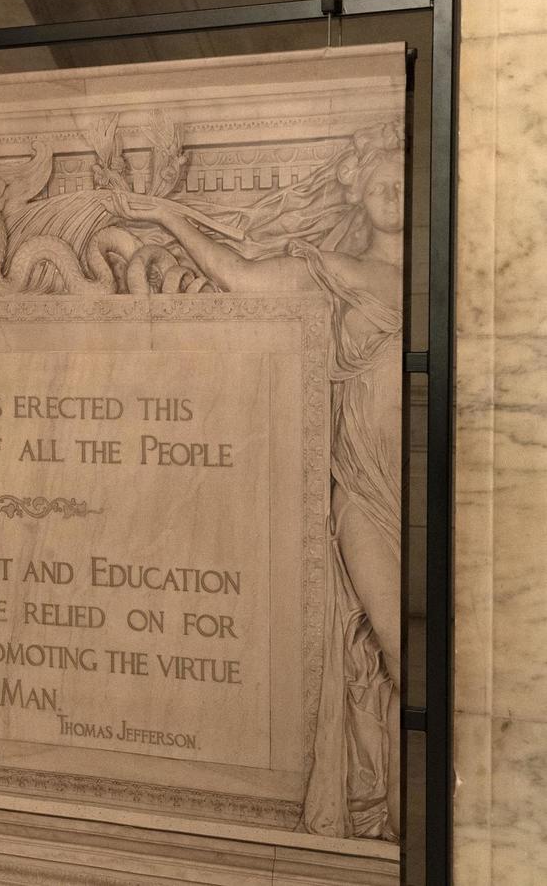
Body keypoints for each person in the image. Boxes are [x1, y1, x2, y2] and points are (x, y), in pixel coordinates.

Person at [107, 138, 404, 840]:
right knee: (394, 649)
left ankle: (400, 809)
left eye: (404, 180)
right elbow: (235, 274)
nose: (395, 190)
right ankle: (394, 816)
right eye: (382, 179)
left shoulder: (439, 272)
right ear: (357, 193)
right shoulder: (335, 273)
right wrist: (166, 216)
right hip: (364, 492)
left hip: (418, 482)